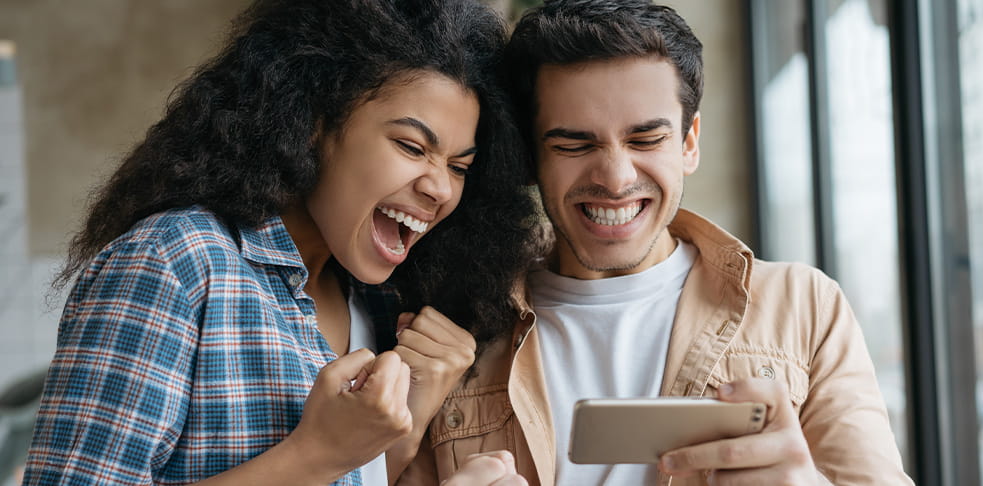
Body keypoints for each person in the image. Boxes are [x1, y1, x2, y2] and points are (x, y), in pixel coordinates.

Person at [399, 1, 914, 485]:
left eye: (646, 139)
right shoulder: (456, 327)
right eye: (574, 144)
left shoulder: (803, 307)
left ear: (689, 143)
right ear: (531, 157)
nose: (616, 178)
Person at [21, 0, 534, 485]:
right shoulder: (177, 261)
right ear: (312, 124)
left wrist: (410, 419)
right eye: (411, 146)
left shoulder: (378, 303)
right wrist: (315, 453)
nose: (440, 187)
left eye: (460, 167)